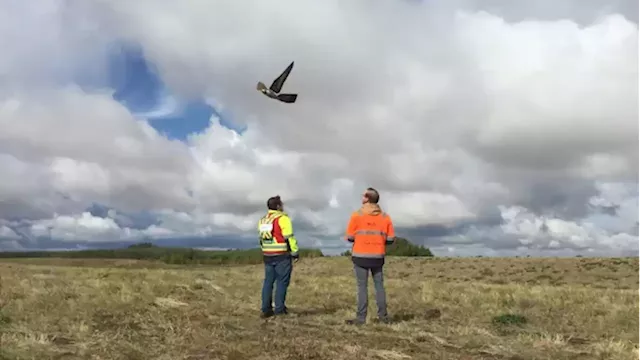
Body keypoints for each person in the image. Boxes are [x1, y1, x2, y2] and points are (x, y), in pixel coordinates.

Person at [344, 187, 395, 325]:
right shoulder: (385, 217)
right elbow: (390, 239)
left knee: (362, 287)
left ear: (367, 198)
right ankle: (383, 317)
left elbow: (349, 237)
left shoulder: (356, 215)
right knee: (379, 286)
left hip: (360, 256)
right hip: (378, 256)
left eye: (363, 195)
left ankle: (361, 318)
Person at [258, 195, 300, 318]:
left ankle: (266, 309)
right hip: (281, 254)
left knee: (268, 282)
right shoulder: (283, 218)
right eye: (281, 204)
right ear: (278, 206)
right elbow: (289, 237)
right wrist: (295, 251)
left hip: (267, 254)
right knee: (282, 282)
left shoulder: (263, 220)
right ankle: (279, 309)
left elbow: (261, 239)